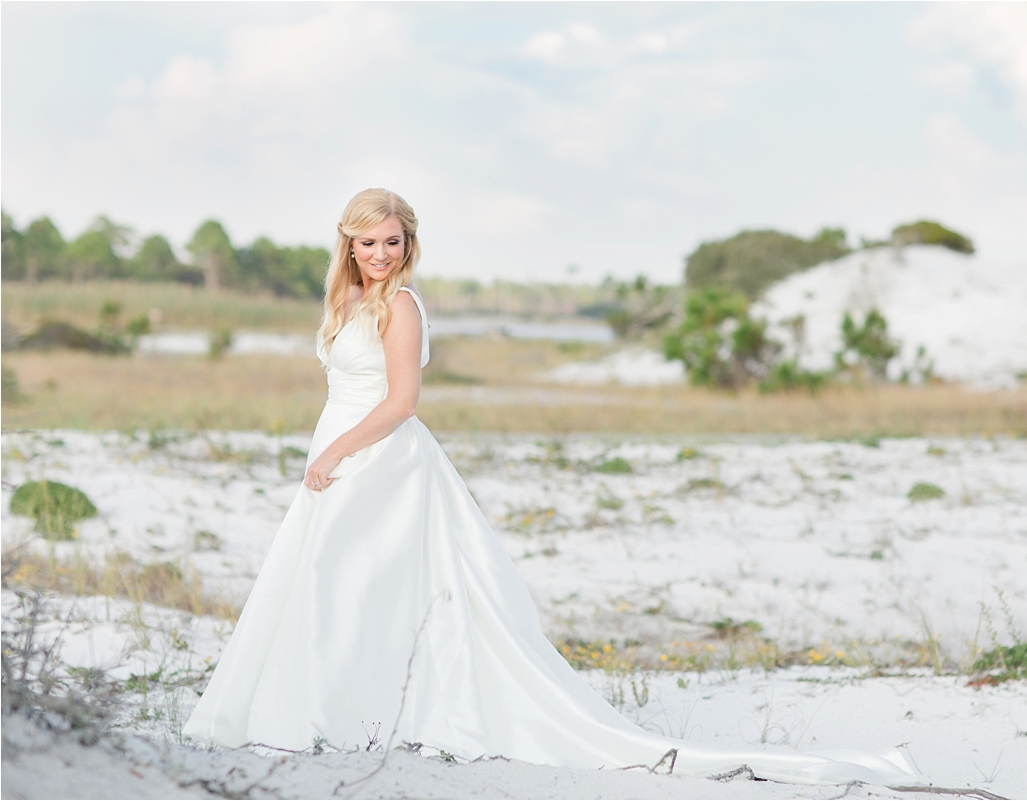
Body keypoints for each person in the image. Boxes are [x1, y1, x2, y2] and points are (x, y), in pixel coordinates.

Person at [182, 188, 914, 785]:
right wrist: (330, 446)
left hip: (378, 457)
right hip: (342, 451)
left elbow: (402, 400)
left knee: (357, 581)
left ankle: (351, 715)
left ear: (409, 246)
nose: (380, 254)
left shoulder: (401, 306)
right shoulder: (346, 305)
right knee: (328, 583)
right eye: (367, 242)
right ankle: (319, 710)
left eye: (392, 241)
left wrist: (337, 448)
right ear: (348, 245)